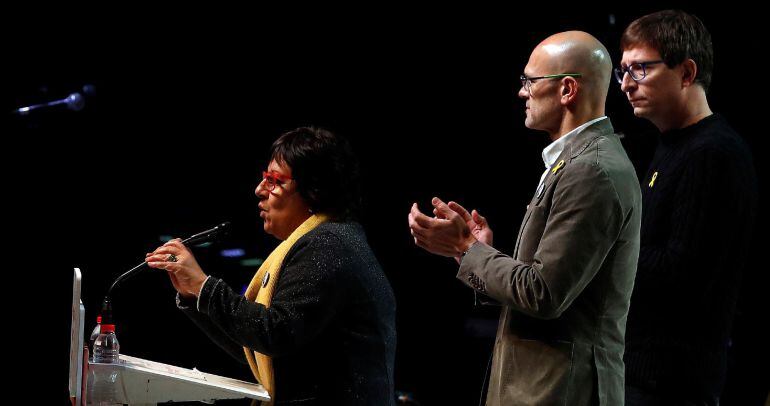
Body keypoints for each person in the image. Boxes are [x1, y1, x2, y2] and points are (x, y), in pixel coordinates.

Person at [408, 31, 641, 405]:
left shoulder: (592, 171)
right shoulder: (574, 162)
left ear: (567, 89)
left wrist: (468, 248)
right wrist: (477, 253)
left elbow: (543, 293)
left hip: (560, 391)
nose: (521, 92)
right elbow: (542, 282)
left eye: (529, 81)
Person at [146, 127, 397, 405]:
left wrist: (205, 287)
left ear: (313, 191)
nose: (259, 190)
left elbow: (275, 333)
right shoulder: (328, 239)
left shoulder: (330, 243)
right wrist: (196, 297)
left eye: (273, 181)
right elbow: (255, 349)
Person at [616, 10, 758, 405]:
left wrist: (602, 251)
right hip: (641, 373)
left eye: (641, 69)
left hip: (671, 384)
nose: (627, 84)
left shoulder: (713, 154)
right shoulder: (672, 144)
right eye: (623, 71)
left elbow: (681, 273)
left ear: (687, 72)